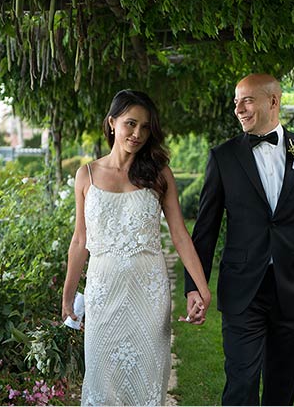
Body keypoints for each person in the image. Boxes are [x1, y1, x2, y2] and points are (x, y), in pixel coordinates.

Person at [184, 73, 294, 406]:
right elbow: (204, 230)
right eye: (236, 102)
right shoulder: (223, 157)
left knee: (281, 392)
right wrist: (194, 286)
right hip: (241, 291)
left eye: (247, 100)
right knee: (241, 385)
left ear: (273, 101)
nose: (239, 109)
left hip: (293, 289)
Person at [62, 89, 212, 406]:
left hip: (149, 292)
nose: (138, 134)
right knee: (103, 382)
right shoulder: (86, 175)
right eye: (131, 123)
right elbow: (79, 240)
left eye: (145, 127)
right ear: (112, 123)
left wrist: (202, 287)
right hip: (103, 293)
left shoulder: (159, 174)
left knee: (147, 382)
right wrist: (68, 295)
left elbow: (180, 235)